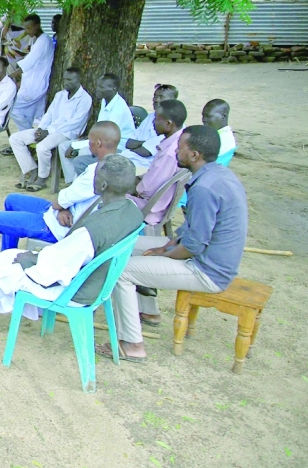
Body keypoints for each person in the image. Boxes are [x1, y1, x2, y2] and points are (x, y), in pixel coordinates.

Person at [0, 155, 144, 336]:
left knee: (3, 265)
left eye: (93, 175)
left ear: (103, 185)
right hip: (92, 282)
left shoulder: (92, 230)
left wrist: (34, 259)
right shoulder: (132, 211)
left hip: (75, 290)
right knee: (9, 260)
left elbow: (55, 267)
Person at [98, 125, 247, 362]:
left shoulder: (205, 189)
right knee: (129, 242)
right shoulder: (216, 174)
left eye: (180, 148)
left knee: (122, 270)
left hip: (207, 270)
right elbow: (191, 232)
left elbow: (194, 246)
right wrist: (165, 246)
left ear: (195, 155)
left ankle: (132, 344)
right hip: (202, 254)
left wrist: (163, 254)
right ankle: (148, 311)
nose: (176, 152)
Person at [0, 121, 121, 264]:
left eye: (89, 140)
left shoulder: (96, 173)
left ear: (98, 143)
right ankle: (6, 259)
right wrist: (63, 206)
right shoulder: (118, 167)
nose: (88, 144)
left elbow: (60, 201)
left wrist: (61, 206)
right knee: (12, 200)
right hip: (65, 213)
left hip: (57, 227)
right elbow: (65, 200)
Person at [9, 67, 92, 191]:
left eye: (70, 79)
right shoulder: (60, 95)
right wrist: (41, 128)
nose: (66, 82)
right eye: (65, 79)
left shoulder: (85, 99)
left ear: (79, 79)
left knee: (42, 147)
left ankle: (42, 177)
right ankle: (32, 170)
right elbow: (49, 114)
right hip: (48, 130)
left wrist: (48, 132)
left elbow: (74, 123)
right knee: (15, 138)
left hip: (66, 133)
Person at [61, 73, 135, 182]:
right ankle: (72, 182)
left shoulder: (118, 110)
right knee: (63, 146)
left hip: (116, 146)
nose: (97, 89)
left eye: (101, 87)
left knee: (83, 152)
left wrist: (76, 145)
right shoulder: (106, 101)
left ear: (113, 88)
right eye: (98, 86)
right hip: (101, 140)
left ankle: (88, 184)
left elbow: (105, 138)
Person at [127, 100, 187, 225]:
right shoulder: (177, 141)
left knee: (105, 197)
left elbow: (145, 190)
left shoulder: (170, 153)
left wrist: (127, 186)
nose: (153, 123)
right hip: (156, 204)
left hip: (149, 209)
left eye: (156, 119)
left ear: (168, 123)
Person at [8, 13, 55, 132]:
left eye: (29, 28)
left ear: (37, 26)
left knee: (12, 108)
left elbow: (28, 63)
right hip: (31, 83)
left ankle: (28, 134)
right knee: (26, 114)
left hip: (36, 85)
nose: (27, 31)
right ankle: (28, 139)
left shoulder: (44, 41)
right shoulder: (36, 39)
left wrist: (10, 76)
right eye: (25, 28)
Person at [119, 84, 179, 169]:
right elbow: (129, 143)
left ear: (173, 100)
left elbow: (145, 152)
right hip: (130, 158)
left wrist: (141, 146)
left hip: (146, 166)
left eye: (161, 97)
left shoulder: (170, 124)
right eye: (155, 96)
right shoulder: (150, 117)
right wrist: (147, 142)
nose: (156, 100)